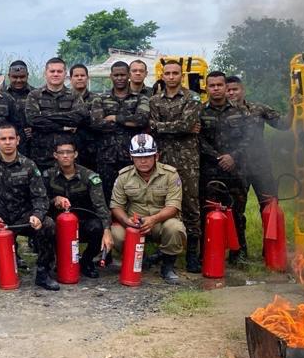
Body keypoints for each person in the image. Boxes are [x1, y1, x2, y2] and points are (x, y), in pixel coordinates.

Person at [0, 124, 59, 290]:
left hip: (24, 218)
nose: (7, 142)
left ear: (18, 140)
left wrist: (37, 215)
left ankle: (44, 272)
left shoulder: (29, 165)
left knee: (48, 224)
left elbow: (40, 197)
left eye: (11, 138)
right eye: (3, 139)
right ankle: (3, 265)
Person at [106, 134, 185, 285]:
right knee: (116, 233)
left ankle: (167, 266)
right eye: (138, 157)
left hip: (160, 222)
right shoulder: (124, 176)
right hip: (134, 223)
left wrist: (154, 219)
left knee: (175, 227)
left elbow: (173, 206)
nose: (143, 161)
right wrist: (126, 221)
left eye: (148, 156)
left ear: (156, 155)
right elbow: (116, 206)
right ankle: (141, 260)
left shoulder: (170, 174)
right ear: (131, 157)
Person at [149, 59, 203, 272]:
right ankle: (165, 253)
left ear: (182, 75)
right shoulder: (154, 101)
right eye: (168, 73)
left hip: (187, 161)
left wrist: (164, 126)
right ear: (162, 75)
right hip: (161, 160)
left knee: (191, 206)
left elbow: (186, 124)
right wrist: (180, 127)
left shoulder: (193, 98)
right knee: (161, 204)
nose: (171, 77)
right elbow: (152, 126)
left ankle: (192, 255)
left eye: (175, 73)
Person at [199, 72, 250, 263]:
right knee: (208, 212)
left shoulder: (242, 112)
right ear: (207, 88)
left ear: (225, 87)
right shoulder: (200, 112)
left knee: (237, 213)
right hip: (210, 170)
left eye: (220, 85)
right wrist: (218, 157)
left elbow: (249, 138)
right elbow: (198, 138)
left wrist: (232, 157)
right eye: (212, 85)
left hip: (236, 170)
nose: (216, 89)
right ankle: (209, 252)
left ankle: (239, 253)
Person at [225, 76, 294, 207]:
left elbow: (283, 125)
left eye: (235, 89)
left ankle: (271, 228)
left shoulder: (258, 109)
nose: (231, 92)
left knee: (270, 206)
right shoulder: (221, 112)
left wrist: (292, 107)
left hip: (260, 167)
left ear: (243, 90)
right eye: (228, 90)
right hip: (235, 169)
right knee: (235, 210)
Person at [46, 139, 111, 278]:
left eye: (68, 152)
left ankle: (86, 261)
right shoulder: (47, 176)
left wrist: (107, 230)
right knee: (46, 225)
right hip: (58, 224)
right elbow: (40, 200)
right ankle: (54, 261)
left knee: (97, 227)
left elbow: (101, 206)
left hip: (83, 222)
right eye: (61, 152)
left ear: (75, 154)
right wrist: (55, 200)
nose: (65, 156)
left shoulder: (89, 176)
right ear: (55, 155)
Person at [92, 61, 151, 205]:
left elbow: (142, 120)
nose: (120, 78)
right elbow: (96, 123)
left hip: (131, 157)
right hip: (106, 157)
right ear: (110, 76)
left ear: (129, 75)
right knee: (107, 196)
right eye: (116, 75)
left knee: (134, 196)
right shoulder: (100, 99)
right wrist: (129, 123)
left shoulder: (140, 98)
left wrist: (115, 118)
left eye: (123, 75)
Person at [24, 57, 88, 172]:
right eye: (52, 71)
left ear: (65, 74)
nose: (55, 74)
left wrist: (44, 115)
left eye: (59, 71)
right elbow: (33, 120)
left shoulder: (74, 95)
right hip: (42, 155)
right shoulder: (34, 95)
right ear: (45, 73)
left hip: (68, 155)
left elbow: (77, 118)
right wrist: (64, 127)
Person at [68, 63, 99, 170]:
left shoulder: (97, 99)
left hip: (92, 148)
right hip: (69, 148)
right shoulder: (65, 98)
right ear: (70, 78)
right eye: (76, 76)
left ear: (87, 77)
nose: (80, 78)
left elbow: (97, 122)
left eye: (82, 75)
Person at [5, 60, 35, 158]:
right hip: (7, 144)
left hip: (33, 145)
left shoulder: (36, 95)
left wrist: (34, 129)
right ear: (9, 76)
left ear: (27, 75)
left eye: (22, 77)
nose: (18, 80)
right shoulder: (1, 96)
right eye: (14, 77)